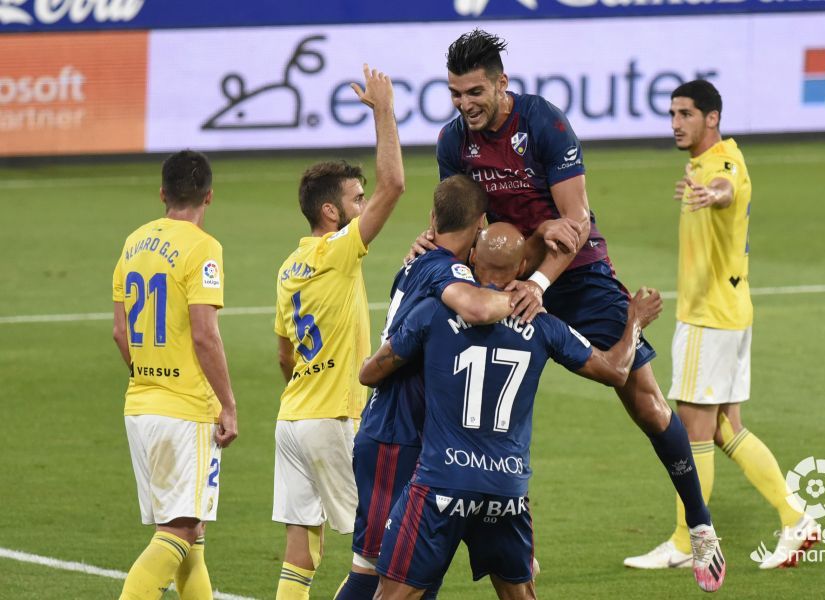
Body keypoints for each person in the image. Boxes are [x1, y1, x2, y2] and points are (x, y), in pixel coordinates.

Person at [429, 29, 724, 591]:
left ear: (501, 84)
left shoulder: (544, 123)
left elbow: (576, 222)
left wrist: (540, 281)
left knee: (645, 402)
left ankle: (701, 524)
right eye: (455, 94)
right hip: (507, 277)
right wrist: (443, 250)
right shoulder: (453, 142)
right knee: (483, 405)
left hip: (578, 274)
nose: (465, 104)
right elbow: (463, 220)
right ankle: (513, 538)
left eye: (474, 92)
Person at [363, 223, 664, 600]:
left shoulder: (432, 312)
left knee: (392, 596)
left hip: (441, 483)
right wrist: (635, 321)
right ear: (522, 267)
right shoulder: (543, 324)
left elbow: (369, 374)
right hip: (505, 489)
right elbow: (616, 370)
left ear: (473, 258)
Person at [333, 176, 563, 600]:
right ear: (480, 225)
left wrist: (535, 240)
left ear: (432, 219)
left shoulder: (428, 260)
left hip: (419, 438)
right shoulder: (447, 271)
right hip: (395, 433)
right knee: (374, 571)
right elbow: (478, 305)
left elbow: (499, 266)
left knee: (418, 575)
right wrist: (530, 294)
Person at [625, 80, 817, 571]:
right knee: (727, 428)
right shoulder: (709, 160)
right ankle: (795, 517)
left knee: (692, 431)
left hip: (708, 317)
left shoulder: (721, 166)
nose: (675, 123)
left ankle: (686, 541)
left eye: (686, 114)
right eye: (672, 113)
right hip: (730, 312)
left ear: (712, 117)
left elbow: (727, 190)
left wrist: (711, 195)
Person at [271, 65, 404, 600]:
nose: (363, 206)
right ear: (330, 211)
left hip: (292, 418)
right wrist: (384, 112)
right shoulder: (338, 251)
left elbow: (284, 354)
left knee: (300, 552)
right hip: (333, 419)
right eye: (356, 199)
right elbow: (395, 186)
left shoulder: (289, 266)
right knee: (381, 547)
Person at [112, 149, 239, 599]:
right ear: (209, 196)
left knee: (192, 532)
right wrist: (228, 404)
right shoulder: (204, 248)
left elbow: (120, 331)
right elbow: (205, 334)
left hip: (140, 405)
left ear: (162, 193)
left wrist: (149, 374)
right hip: (185, 411)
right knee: (179, 532)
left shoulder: (133, 243)